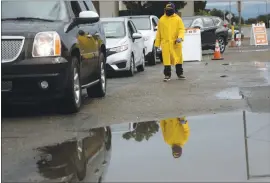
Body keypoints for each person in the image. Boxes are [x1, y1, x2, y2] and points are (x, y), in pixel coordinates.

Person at [154, 2, 186, 82]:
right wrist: (157, 44)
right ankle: (167, 75)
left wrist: (180, 38)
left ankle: (180, 74)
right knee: (166, 60)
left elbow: (181, 29)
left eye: (170, 10)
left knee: (178, 59)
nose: (168, 11)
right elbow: (159, 33)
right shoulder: (161, 20)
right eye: (167, 10)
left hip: (176, 43)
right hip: (166, 44)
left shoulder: (178, 19)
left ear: (173, 10)